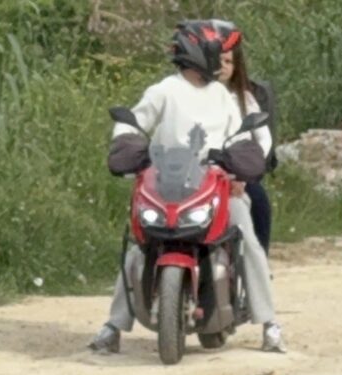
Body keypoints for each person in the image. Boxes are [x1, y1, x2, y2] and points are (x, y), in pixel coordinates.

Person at [89, 20, 282, 355]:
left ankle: (269, 323)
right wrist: (126, 144)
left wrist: (240, 169)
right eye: (214, 51)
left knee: (247, 239)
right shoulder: (164, 90)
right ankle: (113, 325)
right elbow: (134, 121)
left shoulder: (222, 95)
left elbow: (240, 135)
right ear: (199, 52)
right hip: (166, 185)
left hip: (217, 187)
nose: (219, 57)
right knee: (139, 245)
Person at [218, 23, 277, 251]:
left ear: (236, 66)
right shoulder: (193, 96)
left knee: (259, 201)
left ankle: (260, 260)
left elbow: (263, 138)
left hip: (237, 170)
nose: (222, 66)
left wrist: (247, 170)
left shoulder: (245, 99)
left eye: (228, 61)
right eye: (218, 61)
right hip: (200, 171)